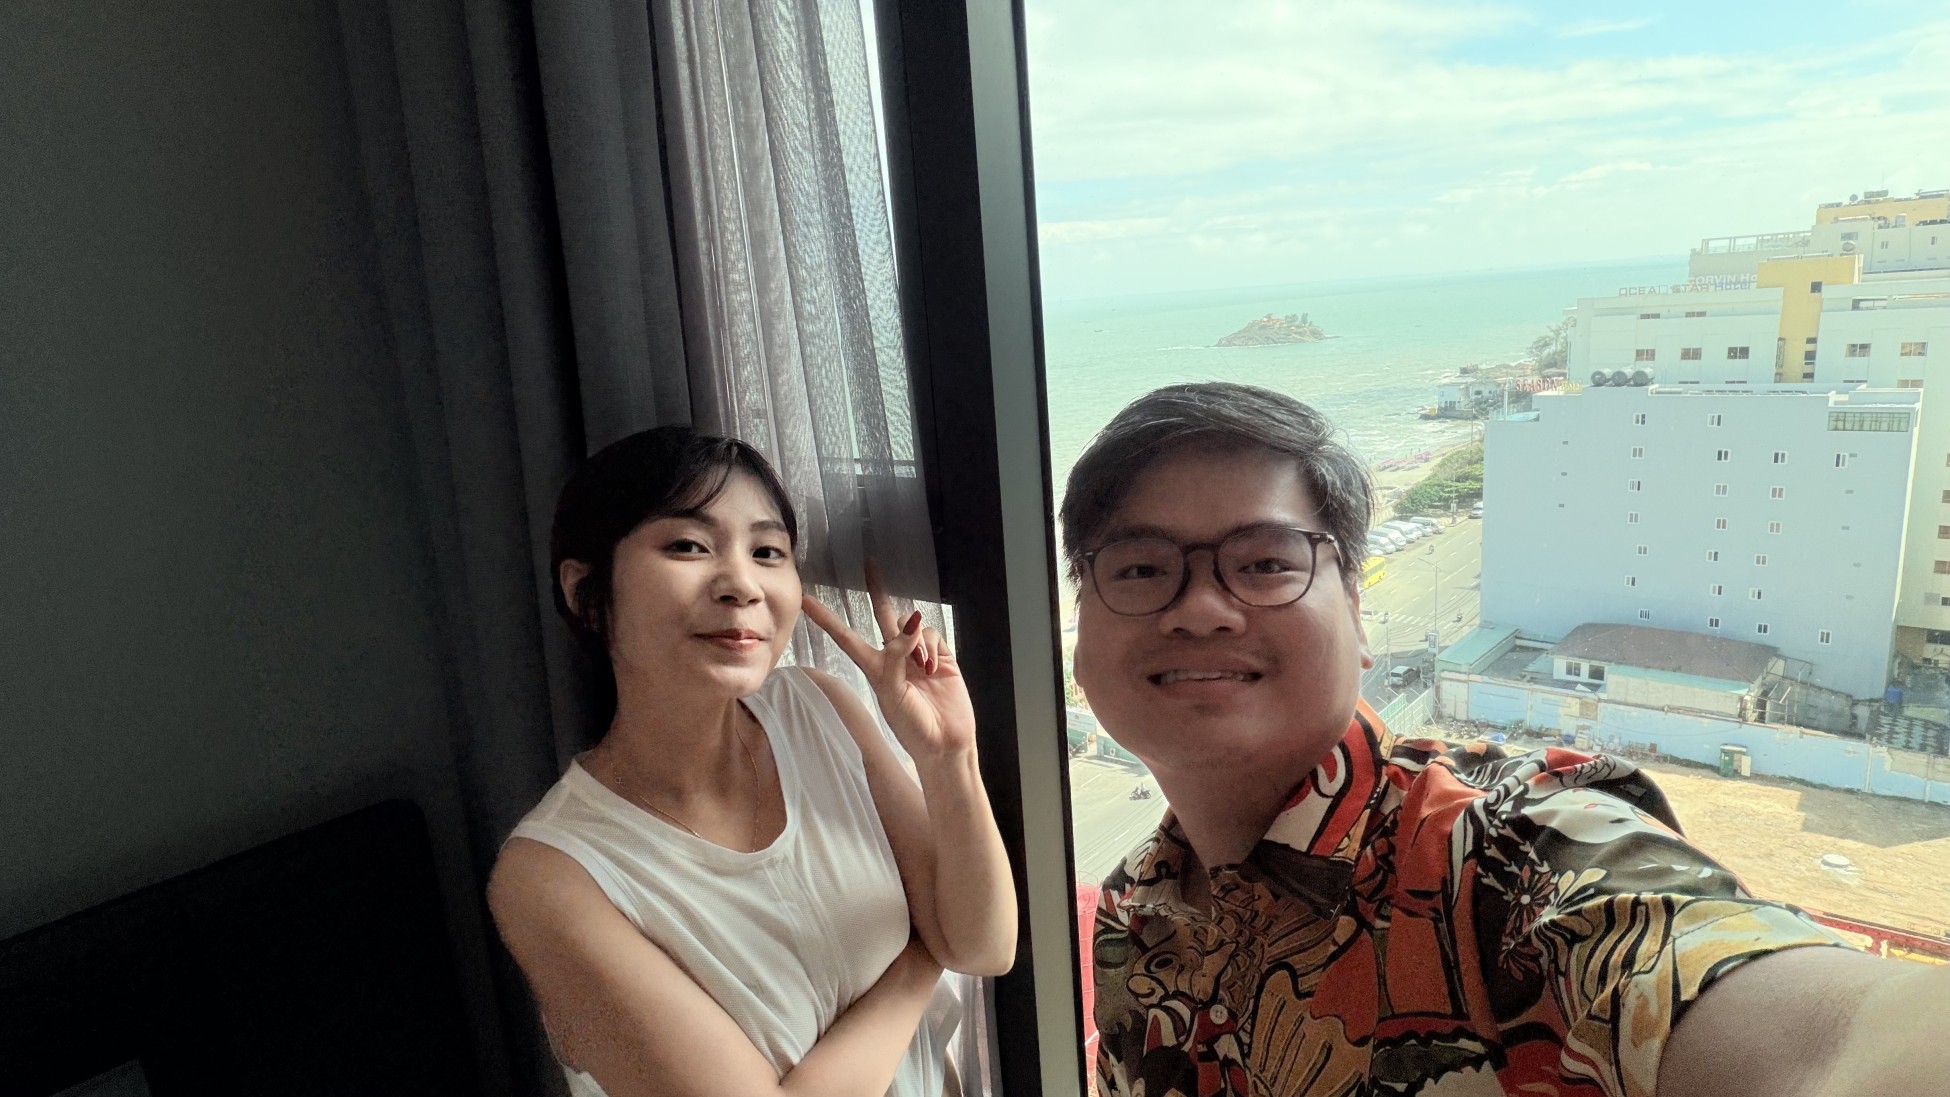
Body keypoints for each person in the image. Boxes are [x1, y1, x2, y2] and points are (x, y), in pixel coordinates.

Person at [1064, 382, 1949, 1097]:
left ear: (1358, 613)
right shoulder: (1133, 912)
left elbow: (1824, 1043)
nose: (1203, 607)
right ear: (1080, 631)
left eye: (1265, 563)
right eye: (1140, 568)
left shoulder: (1507, 858)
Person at [488, 426, 1015, 1097]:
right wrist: (921, 954)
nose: (742, 582)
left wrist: (948, 757)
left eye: (768, 551)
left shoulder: (817, 709)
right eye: (688, 545)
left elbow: (983, 946)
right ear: (587, 590)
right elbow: (949, 945)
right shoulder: (549, 876)